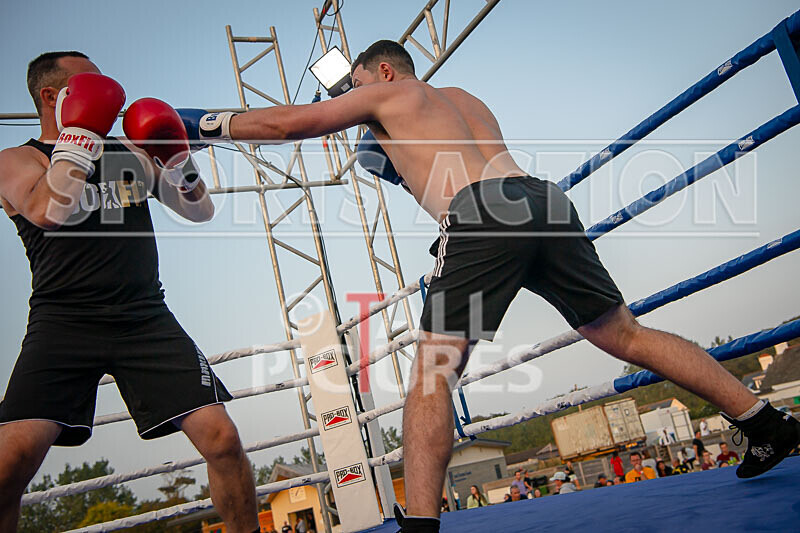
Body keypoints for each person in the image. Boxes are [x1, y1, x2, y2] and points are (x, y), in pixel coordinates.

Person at [184, 39, 800, 532]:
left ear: (384, 73)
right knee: (625, 333)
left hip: (482, 214)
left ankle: (420, 525)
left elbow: (293, 125)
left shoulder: (390, 96)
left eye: (357, 84)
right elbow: (439, 157)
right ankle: (764, 422)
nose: (352, 95)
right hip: (541, 201)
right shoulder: (458, 98)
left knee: (432, 371)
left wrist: (201, 124)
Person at [0, 52, 259, 533]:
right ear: (53, 97)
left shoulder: (129, 152)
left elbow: (199, 212)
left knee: (221, 439)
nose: (108, 93)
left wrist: (178, 161)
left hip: (145, 317)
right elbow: (44, 210)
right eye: (90, 85)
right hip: (62, 322)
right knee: (7, 466)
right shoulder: (16, 160)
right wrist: (79, 138)